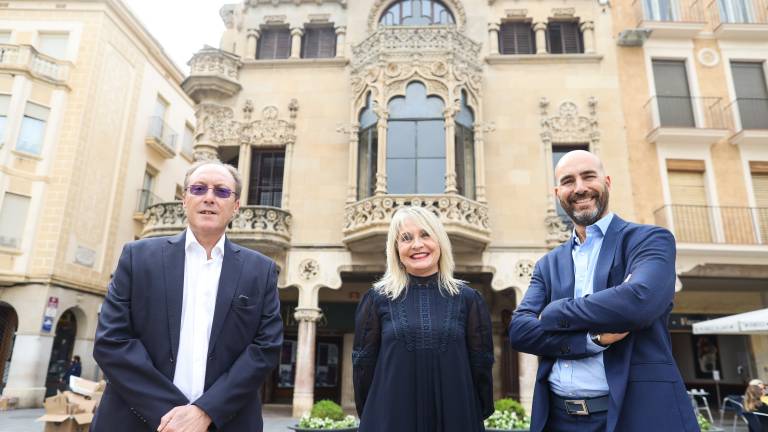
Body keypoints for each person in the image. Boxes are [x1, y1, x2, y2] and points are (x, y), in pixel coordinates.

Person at [509, 150, 699, 432]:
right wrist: (593, 339)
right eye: (568, 181)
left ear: (607, 181)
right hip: (558, 420)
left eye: (588, 177)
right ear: (558, 192)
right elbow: (520, 331)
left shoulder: (648, 240)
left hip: (635, 415)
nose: (580, 188)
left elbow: (638, 301)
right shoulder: (547, 264)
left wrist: (554, 312)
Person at [91, 161, 283, 432]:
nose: (209, 198)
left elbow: (266, 349)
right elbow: (111, 342)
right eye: (199, 188)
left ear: (236, 206)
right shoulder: (137, 257)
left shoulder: (260, 270)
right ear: (184, 199)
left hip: (225, 423)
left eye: (221, 192)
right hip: (135, 421)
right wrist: (175, 415)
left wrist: (206, 411)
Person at [352, 206, 494, 432]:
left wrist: (476, 411)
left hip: (457, 417)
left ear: (440, 241)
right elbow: (363, 366)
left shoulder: (469, 299)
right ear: (396, 249)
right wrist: (374, 413)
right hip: (389, 419)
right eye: (406, 238)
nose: (417, 245)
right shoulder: (376, 300)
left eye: (425, 235)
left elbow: (482, 365)